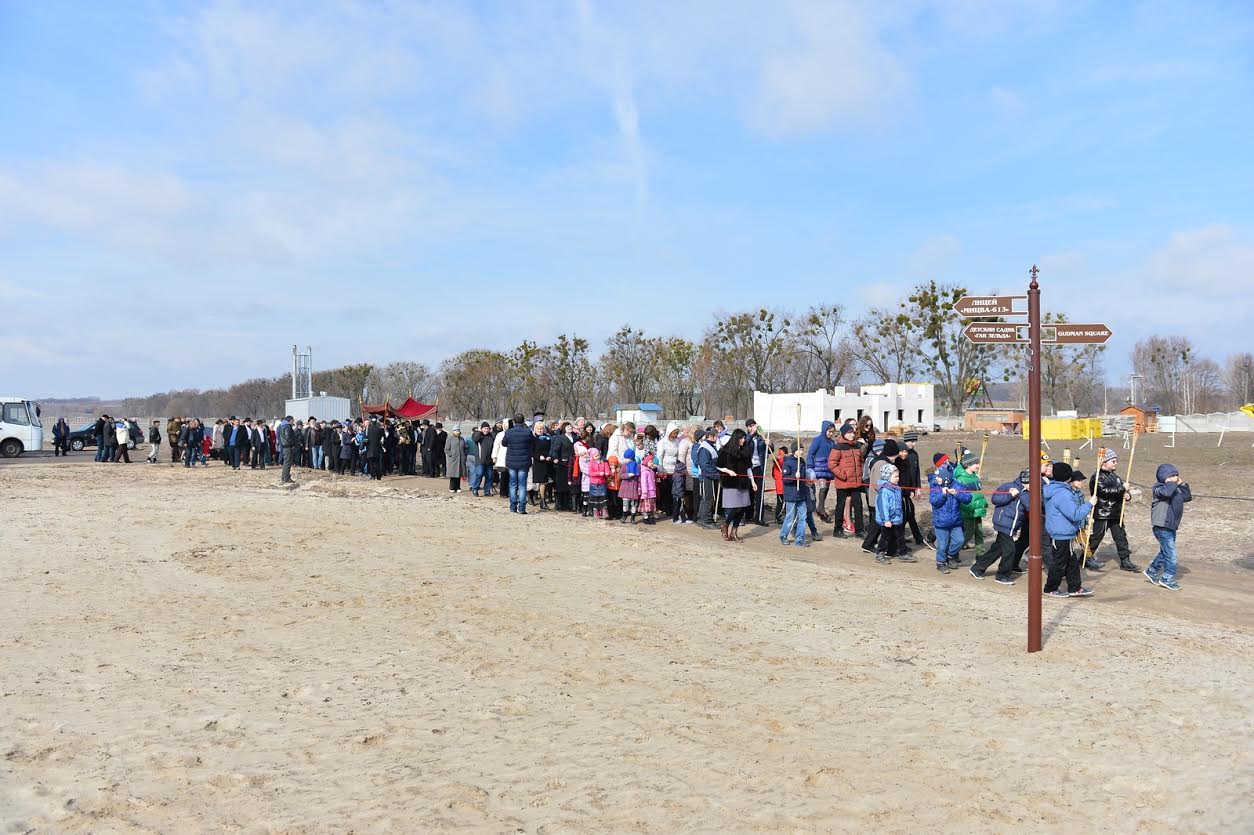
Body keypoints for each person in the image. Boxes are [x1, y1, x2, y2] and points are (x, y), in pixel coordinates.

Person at [1043, 463, 1096, 598]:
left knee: (1071, 561)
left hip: (1064, 531)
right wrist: (1090, 504)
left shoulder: (1054, 489)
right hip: (1061, 532)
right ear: (1068, 477)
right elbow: (1075, 514)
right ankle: (1050, 588)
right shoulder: (1063, 494)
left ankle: (1075, 587)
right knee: (1059, 563)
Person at [970, 469, 1030, 584]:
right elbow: (995, 499)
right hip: (1003, 523)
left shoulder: (1026, 492)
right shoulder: (1007, 486)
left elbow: (1029, 505)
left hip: (1012, 525)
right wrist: (1010, 495)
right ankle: (1002, 575)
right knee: (1010, 550)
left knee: (998, 549)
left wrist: (1021, 494)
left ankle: (977, 568)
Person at [1088, 448, 1139, 572]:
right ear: (1104, 463)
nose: (1116, 463)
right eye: (1113, 461)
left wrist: (1127, 495)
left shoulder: (1115, 477)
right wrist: (1122, 489)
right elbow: (1103, 492)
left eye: (1116, 461)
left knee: (1121, 537)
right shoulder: (1097, 477)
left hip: (1116, 513)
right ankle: (1086, 557)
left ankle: (1125, 561)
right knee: (1096, 537)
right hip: (1103, 513)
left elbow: (1119, 492)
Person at [1145, 463, 1191, 591]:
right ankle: (1167, 578)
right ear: (1163, 477)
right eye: (1172, 476)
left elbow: (1187, 497)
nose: (1175, 478)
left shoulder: (1174, 488)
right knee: (1171, 555)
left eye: (1176, 475)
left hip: (1170, 525)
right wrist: (1171, 483)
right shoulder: (1158, 488)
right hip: (1161, 525)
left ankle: (1152, 570)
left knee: (1165, 551)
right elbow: (1167, 493)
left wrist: (1182, 485)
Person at [928, 452, 970, 574]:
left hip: (955, 521)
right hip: (941, 522)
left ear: (946, 478)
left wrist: (957, 494)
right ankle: (941, 562)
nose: (936, 478)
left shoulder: (957, 485)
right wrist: (943, 494)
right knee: (943, 544)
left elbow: (968, 498)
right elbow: (934, 502)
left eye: (939, 477)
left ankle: (950, 555)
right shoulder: (936, 487)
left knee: (960, 540)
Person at [716, 428, 755, 542]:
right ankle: (725, 524)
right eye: (741, 438)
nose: (743, 440)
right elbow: (718, 465)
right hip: (731, 483)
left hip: (743, 483)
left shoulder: (745, 452)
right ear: (736, 438)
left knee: (742, 508)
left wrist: (752, 481)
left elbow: (748, 468)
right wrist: (728, 471)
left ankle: (734, 532)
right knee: (736, 508)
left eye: (744, 438)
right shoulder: (726, 451)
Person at [828, 423, 864, 537]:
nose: (851, 435)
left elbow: (860, 461)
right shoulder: (838, 447)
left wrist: (861, 473)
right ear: (843, 434)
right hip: (843, 482)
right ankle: (837, 529)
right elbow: (832, 464)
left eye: (853, 433)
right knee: (841, 505)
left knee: (858, 505)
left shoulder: (857, 446)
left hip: (856, 482)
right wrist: (843, 475)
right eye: (849, 433)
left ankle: (860, 530)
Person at [954, 452, 987, 555]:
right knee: (968, 533)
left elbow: (979, 493)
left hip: (977, 509)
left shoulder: (975, 477)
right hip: (968, 511)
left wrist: (983, 503)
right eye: (975, 463)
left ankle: (980, 554)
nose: (978, 465)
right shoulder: (961, 479)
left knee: (979, 532)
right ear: (968, 465)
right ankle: (953, 552)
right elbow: (961, 497)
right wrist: (969, 507)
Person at [501, 414, 535, 514]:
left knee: (512, 484)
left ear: (514, 421)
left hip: (511, 461)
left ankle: (513, 507)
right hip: (524, 461)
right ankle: (522, 508)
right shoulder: (528, 432)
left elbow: (504, 443)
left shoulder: (509, 432)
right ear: (523, 421)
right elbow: (533, 443)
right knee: (522, 485)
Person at [874, 463, 907, 564]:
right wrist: (886, 520)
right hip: (887, 520)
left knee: (900, 537)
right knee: (885, 538)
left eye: (898, 476)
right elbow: (883, 507)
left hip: (896, 518)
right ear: (887, 477)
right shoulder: (884, 490)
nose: (898, 478)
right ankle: (880, 554)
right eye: (895, 476)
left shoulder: (897, 488)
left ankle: (903, 553)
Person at [805, 421, 837, 522]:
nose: (831, 433)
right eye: (829, 431)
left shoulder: (832, 442)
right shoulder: (818, 440)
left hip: (828, 469)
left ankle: (820, 508)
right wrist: (810, 466)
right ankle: (821, 510)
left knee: (826, 488)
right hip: (819, 468)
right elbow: (811, 453)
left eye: (832, 432)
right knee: (823, 488)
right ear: (824, 430)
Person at [778, 446, 809, 547]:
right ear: (794, 450)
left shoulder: (802, 462)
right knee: (790, 517)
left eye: (802, 449)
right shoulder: (788, 462)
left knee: (803, 517)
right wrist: (794, 477)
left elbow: (803, 477)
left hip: (802, 494)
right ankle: (783, 535)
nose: (801, 451)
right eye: (799, 449)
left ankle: (799, 539)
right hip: (791, 494)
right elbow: (785, 479)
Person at [693, 427, 721, 529]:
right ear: (710, 436)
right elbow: (704, 464)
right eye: (716, 436)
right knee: (708, 499)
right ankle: (707, 520)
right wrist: (716, 474)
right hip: (706, 477)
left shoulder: (710, 446)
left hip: (709, 476)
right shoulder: (705, 448)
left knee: (706, 498)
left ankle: (701, 518)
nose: (717, 438)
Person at [473, 422, 496, 497]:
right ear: (481, 429)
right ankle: (475, 488)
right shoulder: (479, 435)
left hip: (489, 460)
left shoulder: (491, 436)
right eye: (484, 428)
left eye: (487, 428)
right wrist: (479, 432)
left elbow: (496, 440)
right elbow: (475, 439)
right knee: (479, 474)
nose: (486, 430)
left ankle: (487, 491)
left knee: (489, 476)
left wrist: (492, 432)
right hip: (480, 460)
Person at [585, 448, 609, 518]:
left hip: (602, 482)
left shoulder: (603, 462)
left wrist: (607, 473)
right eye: (596, 456)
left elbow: (607, 468)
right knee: (594, 498)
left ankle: (604, 511)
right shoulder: (591, 463)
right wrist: (598, 473)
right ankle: (595, 512)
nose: (598, 457)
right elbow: (591, 473)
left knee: (603, 497)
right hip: (594, 483)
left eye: (598, 455)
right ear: (592, 457)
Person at [278, 416, 299, 484]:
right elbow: (288, 437)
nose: (293, 421)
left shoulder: (282, 426)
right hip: (288, 447)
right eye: (293, 420)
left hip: (285, 446)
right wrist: (293, 444)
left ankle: (285, 477)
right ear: (290, 420)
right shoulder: (288, 426)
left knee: (286, 462)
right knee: (287, 463)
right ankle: (286, 478)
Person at [445, 426, 467, 492]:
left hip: (461, 459)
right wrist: (450, 455)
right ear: (453, 431)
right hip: (453, 459)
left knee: (459, 473)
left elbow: (465, 447)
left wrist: (464, 454)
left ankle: (458, 487)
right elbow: (446, 449)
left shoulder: (462, 439)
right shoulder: (450, 439)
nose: (458, 432)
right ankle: (452, 487)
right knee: (453, 474)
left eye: (458, 430)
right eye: (456, 431)